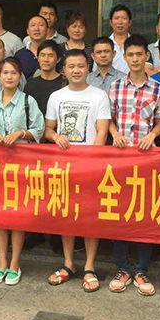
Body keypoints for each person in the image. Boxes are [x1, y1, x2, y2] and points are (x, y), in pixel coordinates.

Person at [0, 57, 45, 286]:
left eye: (13, 73)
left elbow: (39, 129)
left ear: (20, 77)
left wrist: (21, 133)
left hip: (21, 166)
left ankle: (15, 264)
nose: (9, 77)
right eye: (5, 72)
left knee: (17, 215)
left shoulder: (27, 101)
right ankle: (1, 263)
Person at [45, 49, 110, 292]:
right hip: (64, 167)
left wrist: (92, 162)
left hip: (90, 166)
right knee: (67, 215)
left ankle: (90, 266)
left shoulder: (99, 96)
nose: (76, 70)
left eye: (81, 66)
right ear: (64, 70)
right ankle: (68, 263)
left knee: (90, 216)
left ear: (88, 69)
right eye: (71, 66)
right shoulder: (56, 96)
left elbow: (102, 131)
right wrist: (55, 137)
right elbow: (47, 129)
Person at [108, 35, 160, 296]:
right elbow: (108, 119)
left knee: (144, 214)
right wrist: (114, 134)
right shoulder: (115, 86)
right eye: (130, 55)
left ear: (146, 56)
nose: (134, 59)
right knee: (119, 214)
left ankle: (142, 270)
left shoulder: (158, 89)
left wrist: (152, 136)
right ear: (125, 57)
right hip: (120, 160)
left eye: (139, 54)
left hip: (146, 160)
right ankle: (122, 268)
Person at [25, 40, 67, 117]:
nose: (46, 59)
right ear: (37, 58)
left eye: (50, 55)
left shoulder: (66, 84)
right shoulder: (30, 84)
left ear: (58, 59)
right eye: (42, 55)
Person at [105, 4, 132, 73]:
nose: (120, 22)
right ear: (111, 22)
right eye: (116, 18)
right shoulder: (104, 45)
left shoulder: (136, 44)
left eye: (124, 18)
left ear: (130, 22)